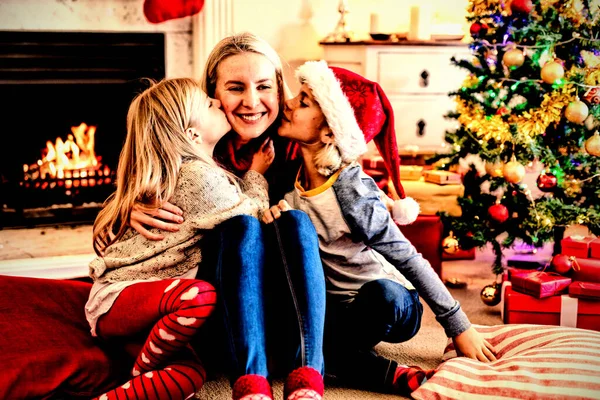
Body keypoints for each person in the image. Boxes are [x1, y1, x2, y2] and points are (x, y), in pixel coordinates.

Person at [262, 60, 497, 396]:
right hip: (335, 308)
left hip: (392, 302)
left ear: (329, 130)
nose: (288, 104)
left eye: (303, 102)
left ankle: (336, 360)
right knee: (289, 342)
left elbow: (408, 258)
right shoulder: (287, 182)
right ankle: (373, 369)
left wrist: (459, 327)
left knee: (379, 296)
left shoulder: (351, 189)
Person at [115, 34, 327, 400]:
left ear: (279, 90)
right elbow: (130, 192)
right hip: (220, 311)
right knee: (243, 225)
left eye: (263, 86)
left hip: (291, 303)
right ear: (212, 93)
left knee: (391, 304)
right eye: (234, 88)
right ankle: (251, 381)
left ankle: (307, 374)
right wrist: (126, 209)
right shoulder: (191, 149)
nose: (251, 101)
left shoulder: (298, 145)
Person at [86, 77, 274, 400]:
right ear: (192, 134)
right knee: (199, 296)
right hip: (121, 300)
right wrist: (257, 174)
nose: (216, 103)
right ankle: (140, 371)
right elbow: (253, 215)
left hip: (152, 317)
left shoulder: (186, 170)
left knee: (190, 376)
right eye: (208, 103)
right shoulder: (195, 177)